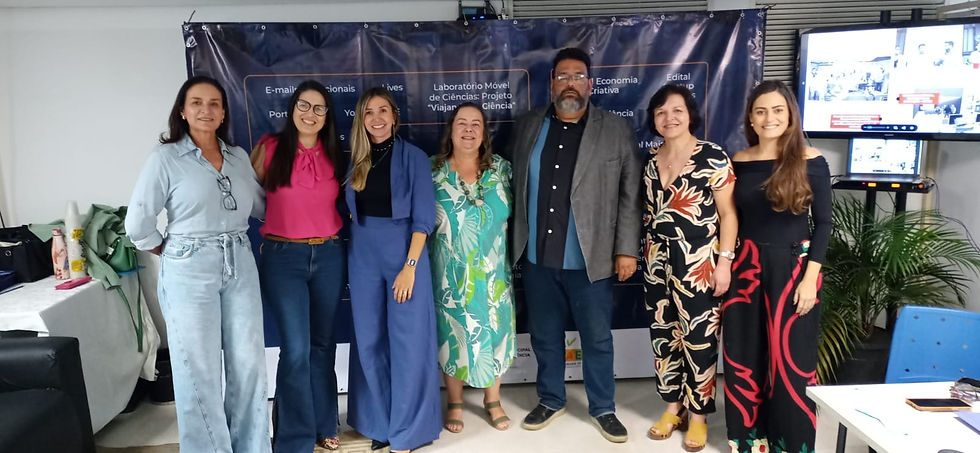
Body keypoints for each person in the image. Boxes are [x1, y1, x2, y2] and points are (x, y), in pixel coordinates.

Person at [126, 76, 270, 453]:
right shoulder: (165, 158)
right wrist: (170, 250)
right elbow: (138, 223)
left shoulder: (237, 157)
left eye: (214, 103)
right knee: (198, 370)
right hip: (189, 266)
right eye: (197, 103)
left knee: (249, 365)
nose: (206, 110)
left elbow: (261, 207)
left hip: (239, 259)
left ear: (223, 113)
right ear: (182, 111)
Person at [508, 47, 642, 443]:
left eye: (578, 76)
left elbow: (630, 195)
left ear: (590, 84)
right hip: (538, 257)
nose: (570, 83)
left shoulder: (614, 129)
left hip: (591, 258)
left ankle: (603, 407)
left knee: (597, 339)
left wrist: (626, 249)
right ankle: (551, 399)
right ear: (551, 83)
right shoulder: (529, 125)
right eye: (563, 76)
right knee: (544, 336)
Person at [723, 80, 832, 453]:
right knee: (744, 357)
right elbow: (730, 217)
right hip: (746, 268)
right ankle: (750, 442)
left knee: (790, 362)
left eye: (777, 110)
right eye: (760, 111)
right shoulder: (738, 161)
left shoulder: (810, 159)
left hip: (795, 269)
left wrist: (810, 279)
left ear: (790, 116)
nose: (769, 118)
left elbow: (825, 224)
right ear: (751, 118)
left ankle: (792, 444)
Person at [249, 80, 346, 452]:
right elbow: (246, 196)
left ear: (327, 116)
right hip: (283, 258)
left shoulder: (334, 153)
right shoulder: (270, 148)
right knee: (295, 348)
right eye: (304, 105)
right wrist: (277, 223)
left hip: (329, 255)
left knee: (322, 344)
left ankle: (325, 424)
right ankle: (293, 438)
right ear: (292, 109)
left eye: (319, 108)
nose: (311, 113)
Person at [344, 86, 440, 453]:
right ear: (361, 120)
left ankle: (408, 430)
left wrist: (410, 266)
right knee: (369, 339)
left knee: (408, 341)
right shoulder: (356, 159)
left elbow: (424, 218)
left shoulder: (414, 158)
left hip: (404, 254)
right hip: (363, 255)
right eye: (369, 112)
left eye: (383, 110)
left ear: (395, 116)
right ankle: (379, 424)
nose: (377, 118)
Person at [642, 84, 737, 452]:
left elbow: (728, 214)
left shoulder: (712, 156)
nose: (669, 118)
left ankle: (698, 416)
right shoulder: (651, 160)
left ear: (690, 115)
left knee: (699, 339)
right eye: (661, 112)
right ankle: (672, 408)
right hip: (657, 262)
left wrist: (724, 262)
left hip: (700, 264)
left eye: (677, 110)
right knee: (664, 336)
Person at [429, 102, 515, 434]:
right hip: (450, 275)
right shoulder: (432, 171)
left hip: (494, 275)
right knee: (454, 336)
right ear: (450, 130)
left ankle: (493, 400)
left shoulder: (502, 169)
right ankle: (455, 401)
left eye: (475, 124)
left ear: (484, 132)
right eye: (461, 123)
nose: (468, 129)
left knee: (495, 332)